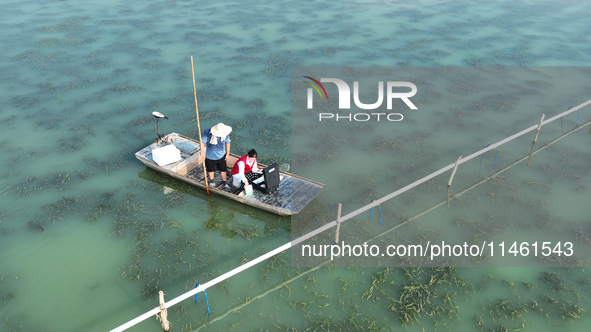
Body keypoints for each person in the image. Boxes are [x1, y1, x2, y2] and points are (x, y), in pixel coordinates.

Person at [200, 123, 232, 188]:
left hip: (221, 155)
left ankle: (225, 183)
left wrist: (227, 154)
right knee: (210, 170)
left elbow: (228, 142)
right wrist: (202, 150)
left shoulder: (225, 133)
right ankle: (212, 182)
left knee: (223, 169)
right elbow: (202, 142)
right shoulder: (207, 133)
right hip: (210, 156)